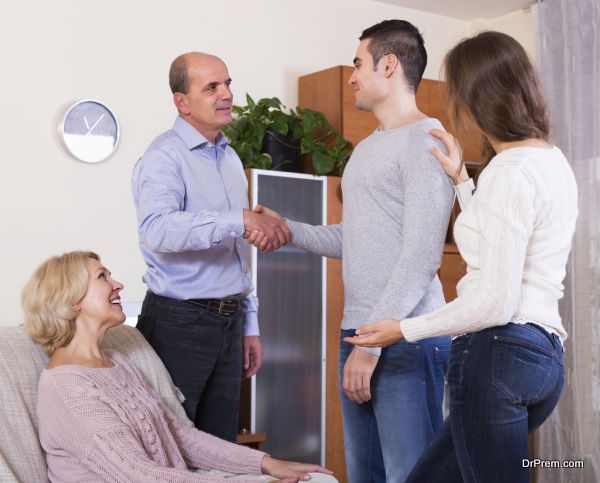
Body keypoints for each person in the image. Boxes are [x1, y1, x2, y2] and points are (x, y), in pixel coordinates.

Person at [345, 31, 578, 483]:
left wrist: (403, 329)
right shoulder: (550, 161)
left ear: (474, 96)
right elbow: (499, 245)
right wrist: (461, 181)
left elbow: (494, 301)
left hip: (497, 356)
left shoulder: (509, 172)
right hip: (542, 359)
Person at [248, 20, 454, 483]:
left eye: (358, 64)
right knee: (366, 475)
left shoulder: (427, 141)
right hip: (360, 336)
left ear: (389, 64)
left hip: (403, 340)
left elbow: (422, 257)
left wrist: (372, 345)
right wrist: (290, 229)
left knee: (411, 476)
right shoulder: (367, 150)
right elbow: (354, 238)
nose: (353, 75)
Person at [22, 251, 334, 483]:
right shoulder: (68, 387)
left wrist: (265, 463)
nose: (117, 284)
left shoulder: (116, 362)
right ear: (71, 298)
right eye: (102, 276)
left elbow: (179, 435)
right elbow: (139, 475)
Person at [131, 52, 289, 442]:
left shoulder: (231, 159)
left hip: (229, 321)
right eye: (212, 87)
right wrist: (239, 219)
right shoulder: (163, 157)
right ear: (181, 102)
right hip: (178, 323)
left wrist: (249, 324)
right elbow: (157, 229)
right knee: (174, 443)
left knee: (220, 443)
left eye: (228, 84)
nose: (227, 95)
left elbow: (237, 251)